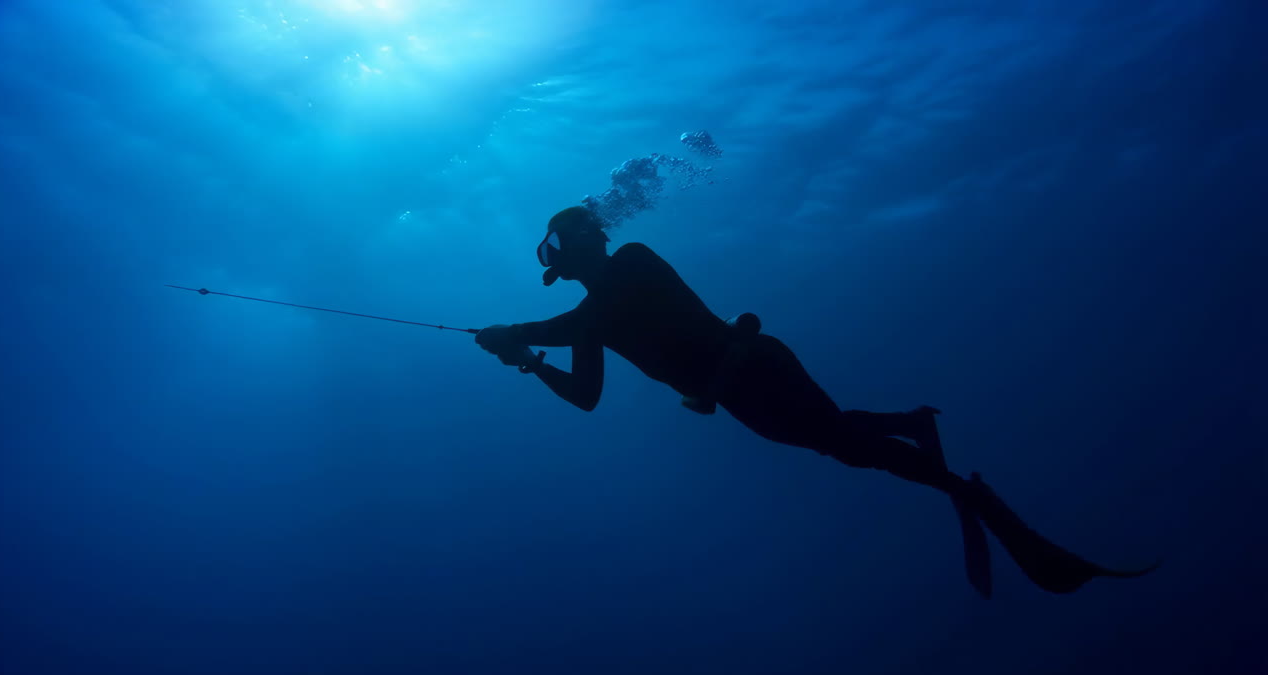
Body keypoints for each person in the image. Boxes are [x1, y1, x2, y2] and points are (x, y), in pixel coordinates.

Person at [476, 206, 1156, 595]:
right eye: (556, 247)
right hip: (741, 393)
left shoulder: (632, 264)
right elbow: (585, 398)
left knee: (843, 445)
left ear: (574, 249)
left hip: (753, 369)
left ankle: (968, 494)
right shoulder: (588, 322)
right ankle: (910, 424)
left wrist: (520, 336)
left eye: (561, 243)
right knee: (835, 436)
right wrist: (531, 361)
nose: (565, 253)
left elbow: (587, 323)